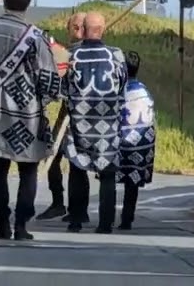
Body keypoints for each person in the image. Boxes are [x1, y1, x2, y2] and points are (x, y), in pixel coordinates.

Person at [0, 0, 61, 240]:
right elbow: (47, 78)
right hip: (27, 113)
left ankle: (2, 224)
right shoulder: (35, 36)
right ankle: (21, 226)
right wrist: (48, 99)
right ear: (29, 2)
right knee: (28, 169)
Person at [61, 12, 127, 234]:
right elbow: (122, 88)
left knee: (77, 168)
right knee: (108, 174)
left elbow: (62, 89)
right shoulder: (116, 55)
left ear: (83, 28)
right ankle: (105, 223)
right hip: (107, 126)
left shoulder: (71, 55)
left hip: (80, 123)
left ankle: (77, 218)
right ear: (103, 28)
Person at [38, 12, 85, 221]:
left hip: (81, 115)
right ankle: (60, 203)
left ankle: (78, 209)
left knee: (77, 162)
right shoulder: (72, 52)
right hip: (67, 109)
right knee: (54, 155)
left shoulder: (83, 53)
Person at [117, 50, 156, 230]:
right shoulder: (144, 90)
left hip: (119, 144)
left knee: (109, 179)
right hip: (141, 144)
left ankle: (107, 216)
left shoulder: (118, 89)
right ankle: (127, 218)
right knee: (132, 183)